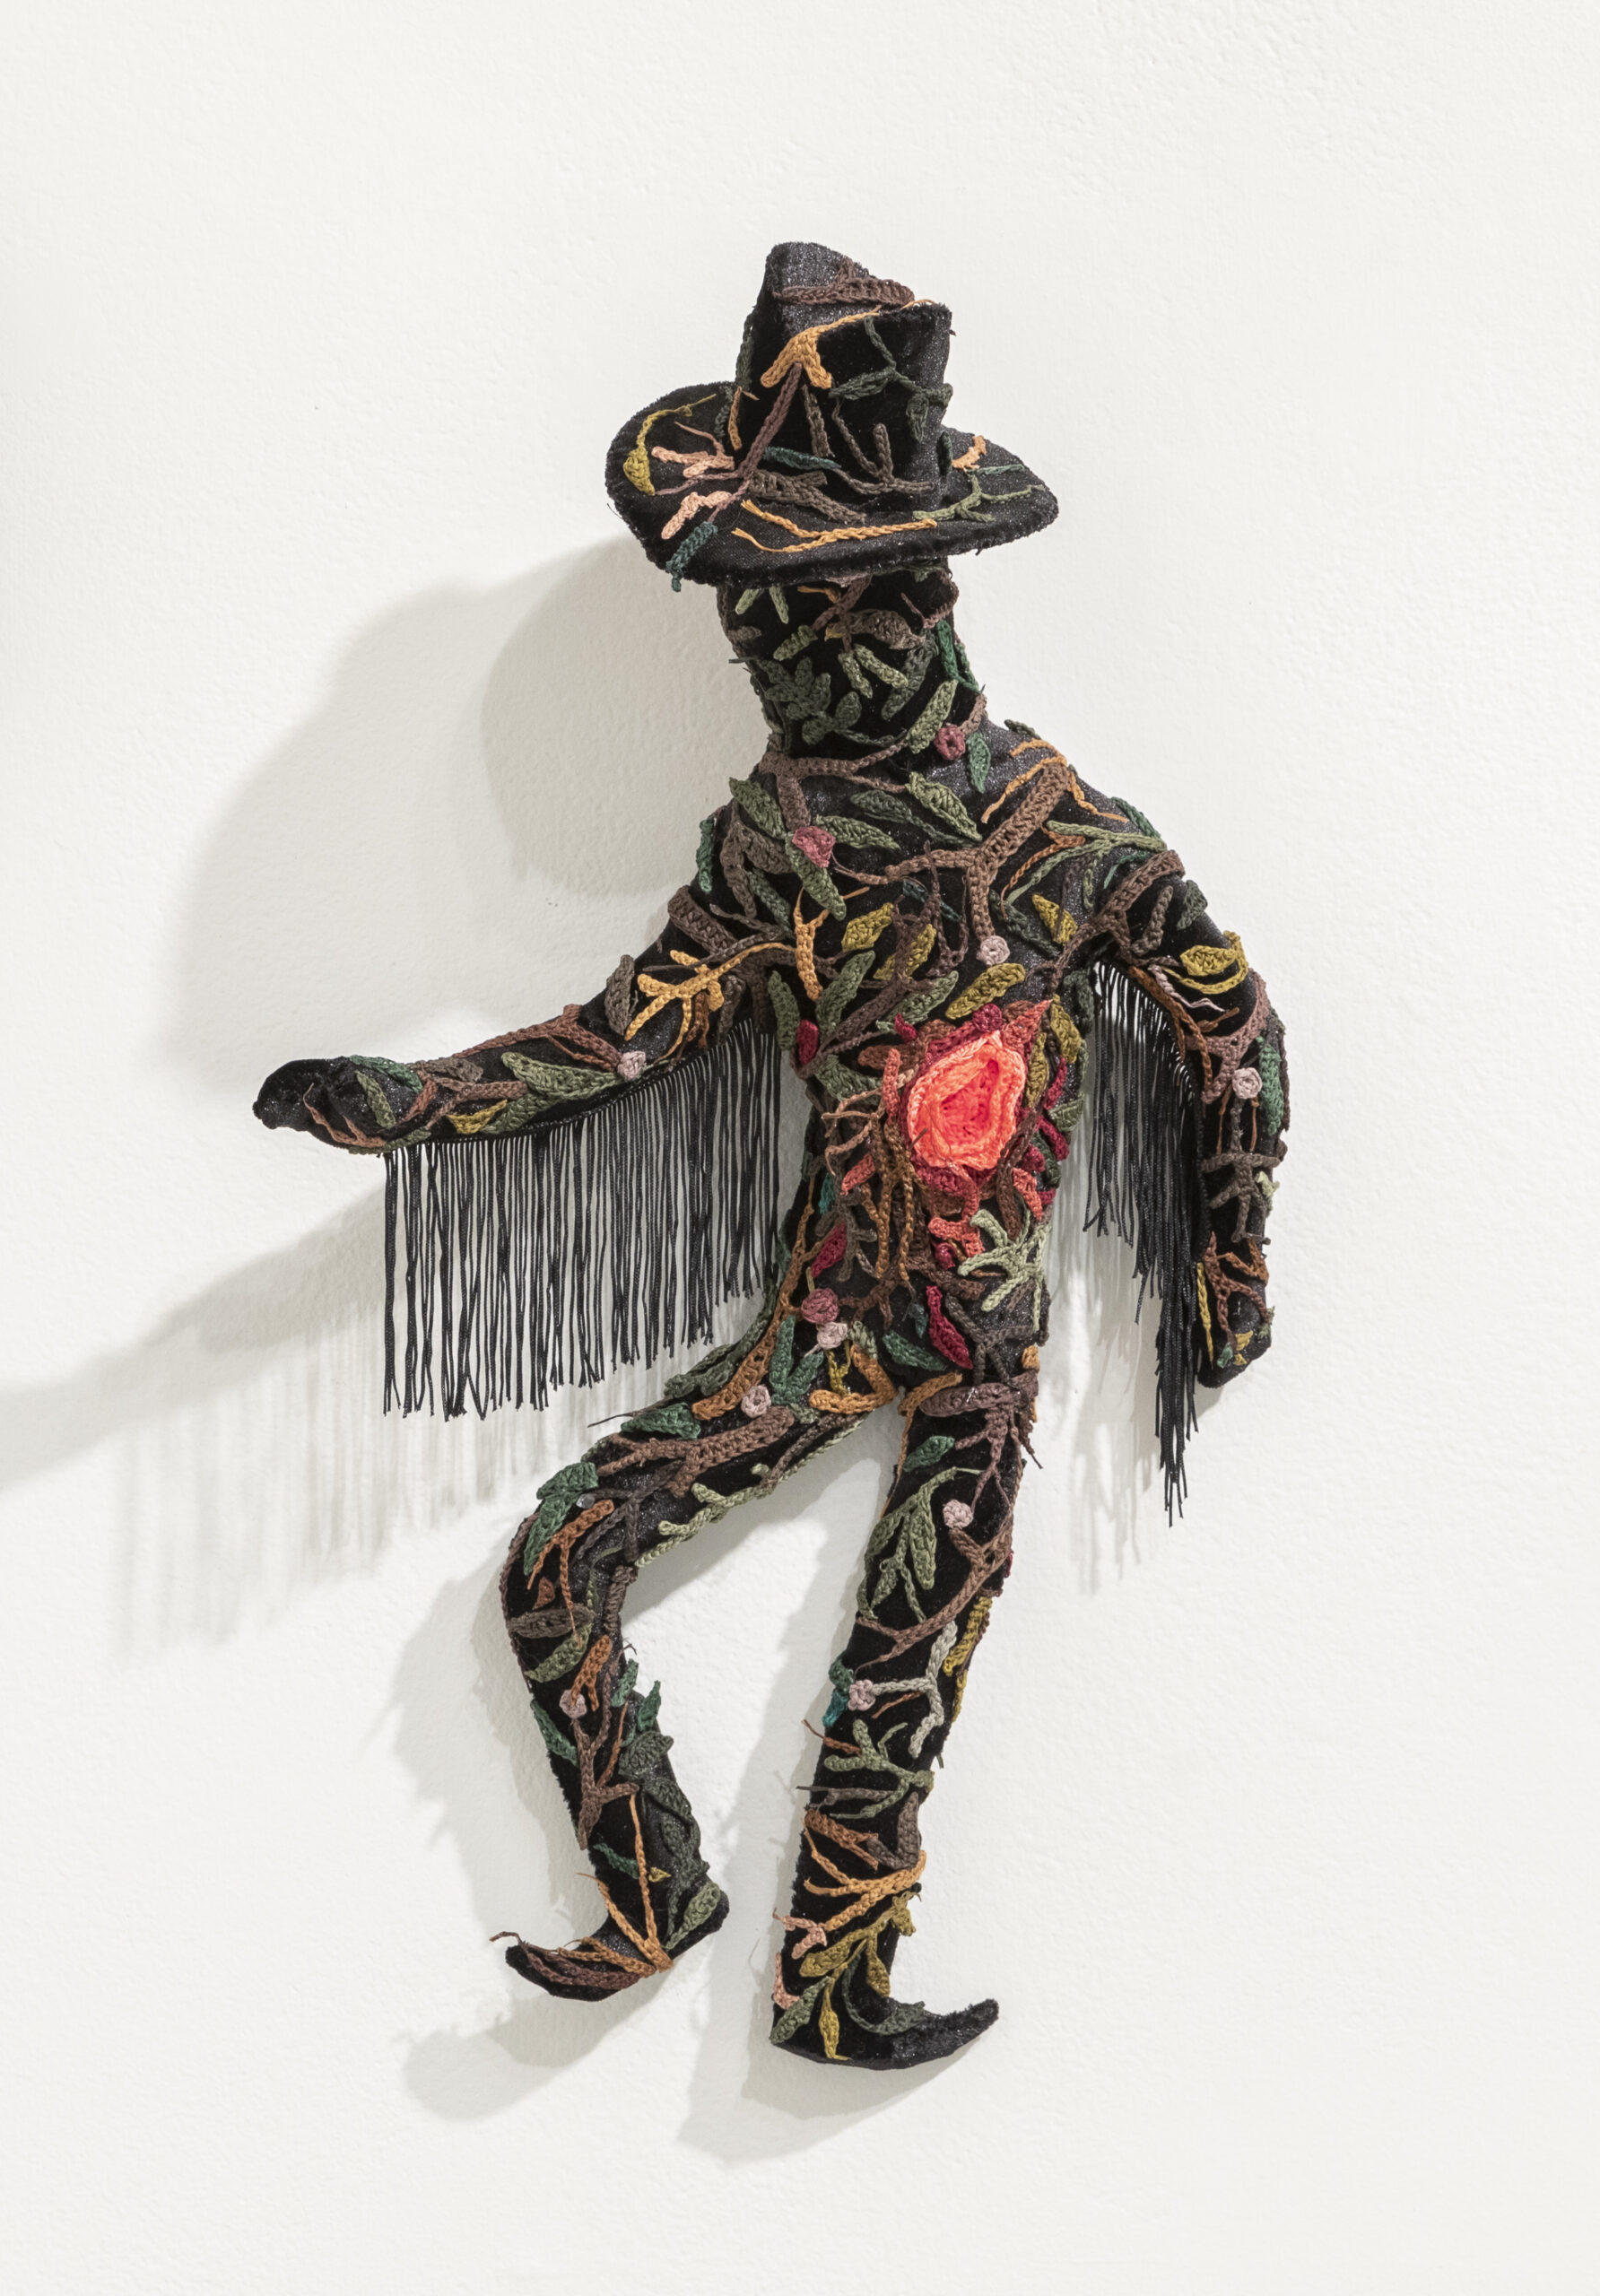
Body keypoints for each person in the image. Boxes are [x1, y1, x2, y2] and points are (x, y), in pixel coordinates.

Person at [256, 241, 1289, 2069]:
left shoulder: (1057, 830)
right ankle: (658, 1890)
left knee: (900, 1666)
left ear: (921, 598)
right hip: (821, 1336)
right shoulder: (778, 850)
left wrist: (1226, 1259)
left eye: (810, 610)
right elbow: (623, 1039)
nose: (776, 648)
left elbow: (1231, 1024)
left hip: (973, 1360)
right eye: (755, 615)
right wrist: (407, 1107)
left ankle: (831, 1985)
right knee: (560, 1563)